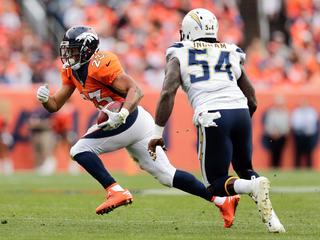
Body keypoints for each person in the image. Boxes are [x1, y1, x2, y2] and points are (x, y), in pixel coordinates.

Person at [36, 25, 239, 228]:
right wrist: (46, 100)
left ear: (88, 48)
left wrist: (122, 113)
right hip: (137, 121)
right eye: (67, 49)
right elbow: (55, 105)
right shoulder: (71, 71)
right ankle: (223, 200)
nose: (68, 54)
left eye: (73, 49)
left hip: (128, 118)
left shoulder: (100, 63)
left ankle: (115, 190)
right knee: (167, 175)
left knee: (79, 149)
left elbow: (136, 90)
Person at [148, 8, 285, 233]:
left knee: (216, 184)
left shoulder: (179, 51)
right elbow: (252, 97)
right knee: (245, 168)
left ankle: (253, 186)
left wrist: (156, 132)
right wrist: (240, 122)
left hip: (212, 113)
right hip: (240, 111)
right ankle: (274, 221)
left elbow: (167, 92)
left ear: (189, 31)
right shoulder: (230, 50)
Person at [262, 95, 290, 167]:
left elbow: (287, 125)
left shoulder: (285, 112)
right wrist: (273, 132)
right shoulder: (271, 112)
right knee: (273, 152)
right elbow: (268, 124)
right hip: (272, 136)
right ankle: (272, 167)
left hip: (282, 136)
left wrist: (280, 132)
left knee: (280, 152)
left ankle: (279, 167)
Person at [291, 100, 319, 168]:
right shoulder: (296, 112)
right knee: (298, 152)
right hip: (299, 134)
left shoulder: (311, 111)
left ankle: (309, 167)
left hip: (309, 135)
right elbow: (294, 123)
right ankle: (297, 167)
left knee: (309, 152)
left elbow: (314, 123)